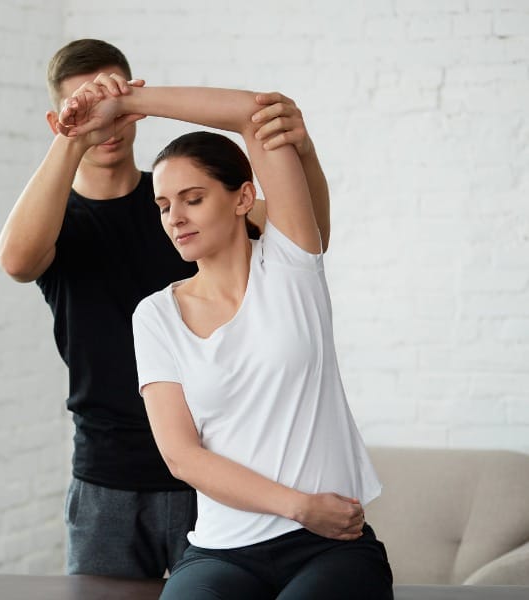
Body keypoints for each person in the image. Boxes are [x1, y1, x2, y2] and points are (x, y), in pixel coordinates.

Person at [0, 39, 332, 579]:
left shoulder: (185, 203)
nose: (104, 124)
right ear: (56, 118)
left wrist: (304, 154)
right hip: (106, 481)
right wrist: (75, 132)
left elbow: (305, 235)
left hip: (216, 472)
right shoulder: (57, 217)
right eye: (81, 106)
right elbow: (15, 261)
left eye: (112, 101)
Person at [58, 84, 393, 598]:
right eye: (164, 205)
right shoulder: (155, 316)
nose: (176, 218)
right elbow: (182, 457)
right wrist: (299, 505)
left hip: (330, 547)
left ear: (242, 198)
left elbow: (251, 113)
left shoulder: (291, 267)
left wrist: (127, 105)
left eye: (193, 199)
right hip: (221, 552)